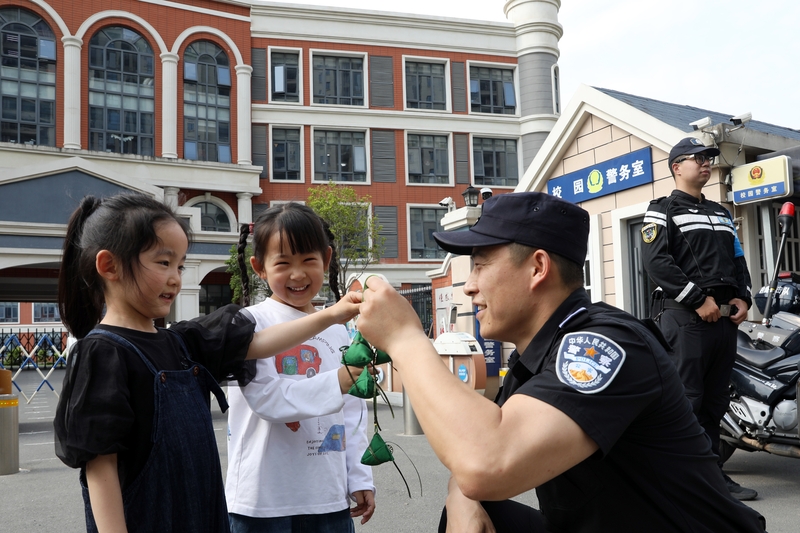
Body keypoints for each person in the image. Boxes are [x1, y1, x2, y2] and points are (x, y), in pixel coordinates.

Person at [356, 192, 766, 532]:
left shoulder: (603, 344)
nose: (469, 285)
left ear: (537, 267)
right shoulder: (536, 356)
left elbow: (487, 461)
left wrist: (405, 339)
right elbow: (474, 453)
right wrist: (461, 497)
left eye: (480, 265)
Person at [53, 193, 364, 533]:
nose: (176, 277)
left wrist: (332, 315)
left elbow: (257, 343)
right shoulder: (103, 352)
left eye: (180, 265)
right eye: (163, 263)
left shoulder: (181, 341)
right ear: (109, 266)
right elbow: (100, 466)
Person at [226, 203, 375, 532]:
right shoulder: (249, 324)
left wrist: (359, 476)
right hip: (262, 501)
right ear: (259, 267)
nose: (297, 274)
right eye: (283, 263)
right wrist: (341, 379)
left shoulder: (338, 330)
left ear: (326, 259)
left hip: (328, 497)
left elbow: (351, 413)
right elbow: (268, 398)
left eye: (309, 260)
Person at [642, 137, 756, 501]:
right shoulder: (662, 209)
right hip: (685, 318)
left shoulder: (722, 213)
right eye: (698, 159)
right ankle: (677, 480)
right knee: (686, 400)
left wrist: (743, 296)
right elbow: (656, 263)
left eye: (709, 159)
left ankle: (710, 478)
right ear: (677, 166)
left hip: (724, 320)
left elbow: (737, 258)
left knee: (715, 403)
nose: (706, 164)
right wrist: (696, 299)